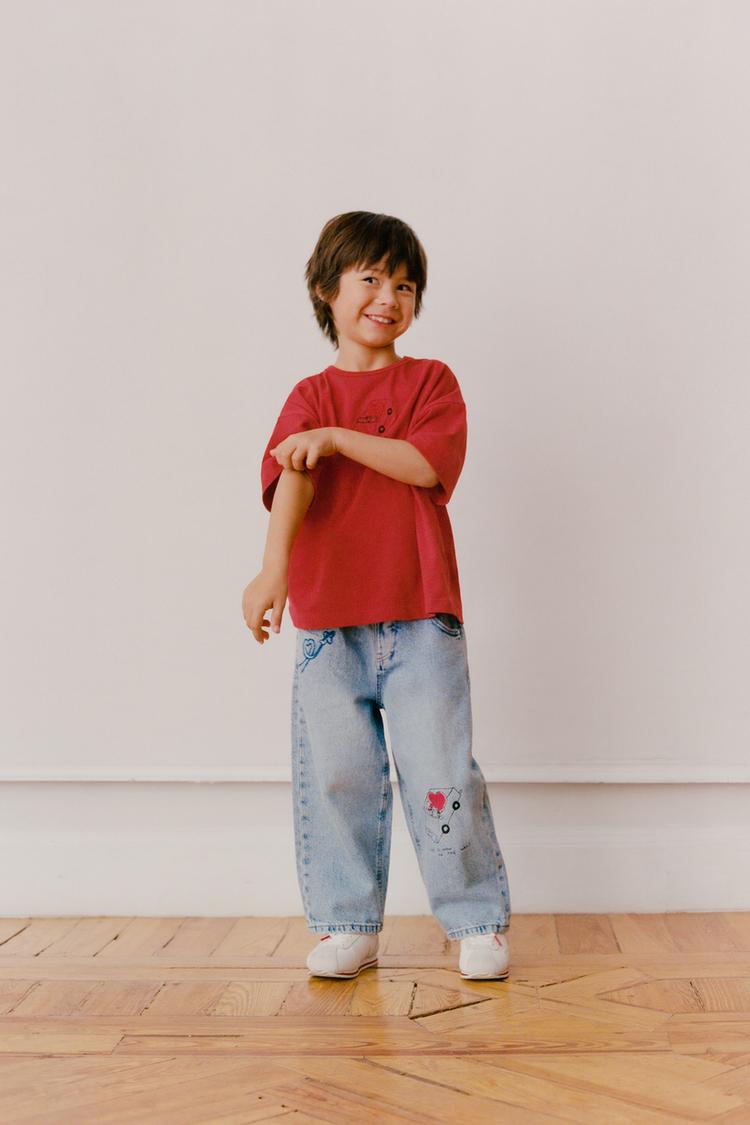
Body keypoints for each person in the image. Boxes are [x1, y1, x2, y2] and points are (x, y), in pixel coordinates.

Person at [242, 211, 511, 980]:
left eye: (405, 284)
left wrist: (336, 439)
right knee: (338, 777)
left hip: (422, 619)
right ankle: (347, 923)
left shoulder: (431, 383)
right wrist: (271, 572)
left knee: (441, 775)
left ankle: (476, 920)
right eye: (371, 279)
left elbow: (426, 465)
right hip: (330, 625)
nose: (389, 297)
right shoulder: (309, 395)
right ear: (327, 290)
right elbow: (291, 480)